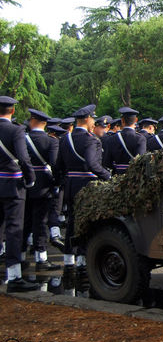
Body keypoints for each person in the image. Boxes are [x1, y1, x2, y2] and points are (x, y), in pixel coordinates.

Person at [55, 104, 111, 271]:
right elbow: (92, 164)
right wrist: (108, 176)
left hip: (71, 185)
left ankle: (68, 258)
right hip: (88, 186)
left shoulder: (66, 139)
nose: (94, 122)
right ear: (87, 119)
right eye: (93, 118)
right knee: (87, 222)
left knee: (72, 221)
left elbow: (58, 165)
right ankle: (82, 259)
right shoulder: (92, 140)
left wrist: (62, 181)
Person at [0, 96, 38, 292]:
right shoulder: (15, 130)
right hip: (12, 184)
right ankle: (14, 276)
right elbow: (23, 158)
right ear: (12, 111)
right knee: (14, 229)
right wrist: (30, 178)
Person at [23, 108, 61, 271]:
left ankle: (21, 255)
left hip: (25, 183)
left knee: (24, 222)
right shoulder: (51, 141)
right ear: (45, 124)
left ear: (32, 121)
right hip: (44, 185)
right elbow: (54, 164)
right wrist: (57, 183)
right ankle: (41, 257)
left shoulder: (23, 138)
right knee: (40, 223)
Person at [102, 107, 146, 175]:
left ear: (122, 120)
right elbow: (141, 162)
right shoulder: (140, 139)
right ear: (136, 120)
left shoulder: (112, 138)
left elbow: (106, 162)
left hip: (117, 176)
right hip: (134, 177)